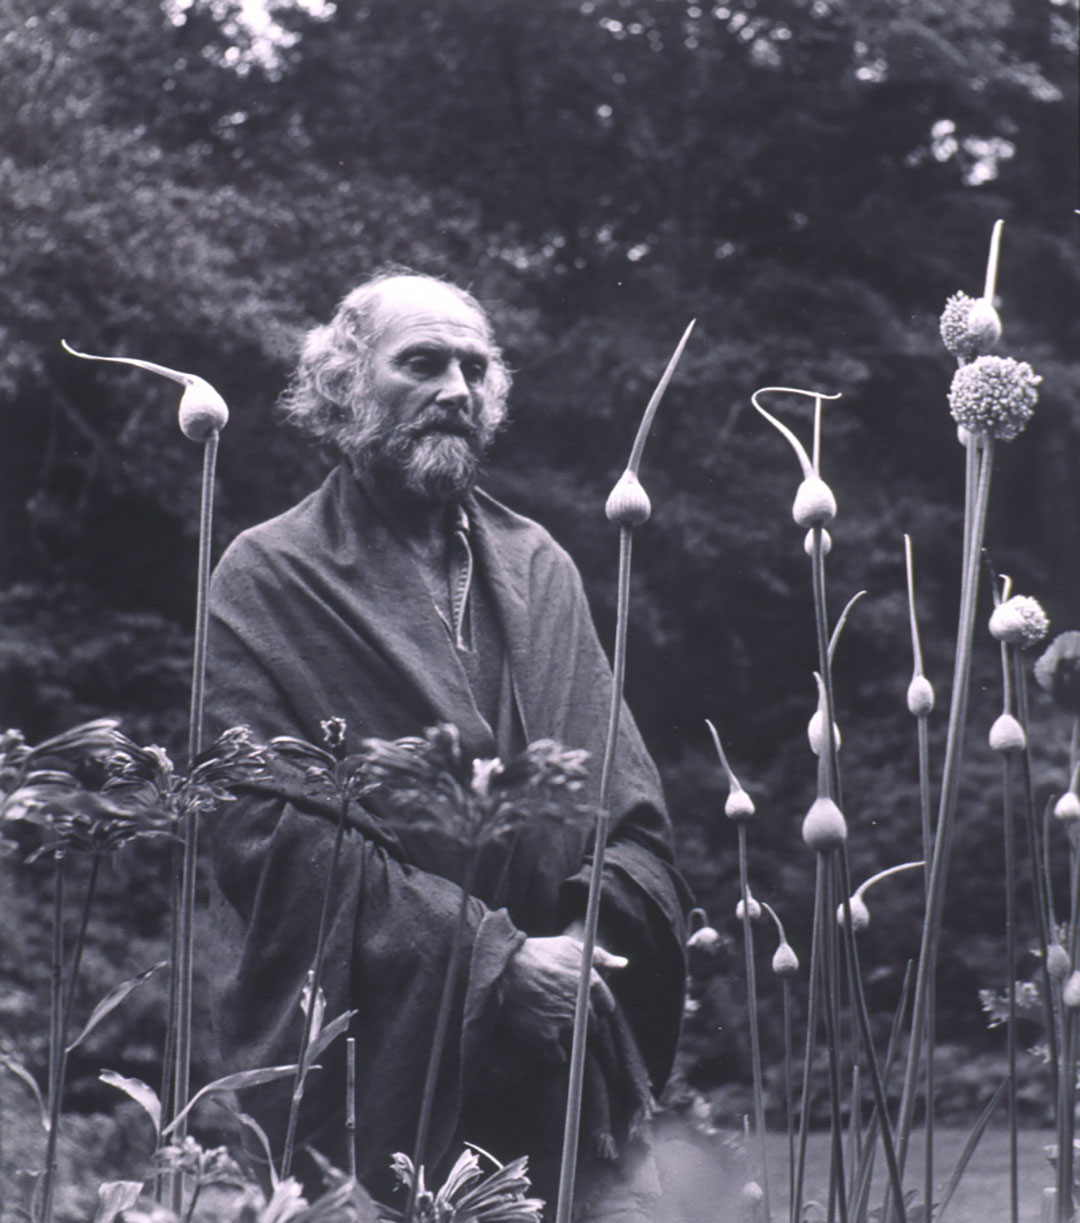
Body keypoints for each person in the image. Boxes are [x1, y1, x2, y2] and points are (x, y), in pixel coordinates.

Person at [203, 270, 691, 1219]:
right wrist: (490, 959)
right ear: (345, 385)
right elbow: (265, 832)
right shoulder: (266, 573)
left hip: (556, 1060)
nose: (457, 390)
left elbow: (629, 816)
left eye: (475, 368)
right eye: (422, 362)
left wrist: (583, 950)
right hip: (378, 1061)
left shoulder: (540, 564)